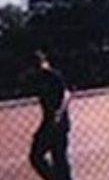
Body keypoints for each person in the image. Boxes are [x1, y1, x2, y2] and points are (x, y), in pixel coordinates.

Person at [29, 50, 73, 180]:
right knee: (38, 156)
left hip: (59, 122)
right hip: (48, 122)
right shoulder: (39, 78)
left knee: (59, 158)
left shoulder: (53, 75)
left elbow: (66, 94)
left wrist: (59, 113)